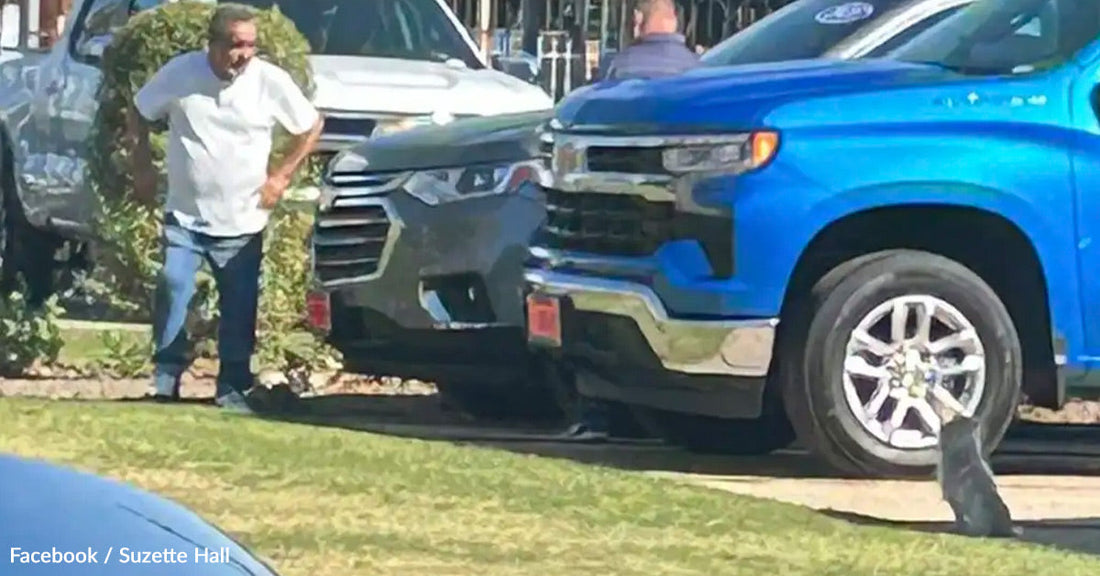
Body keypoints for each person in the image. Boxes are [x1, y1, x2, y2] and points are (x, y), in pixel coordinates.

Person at [128, 3, 323, 413]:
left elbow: (310, 125)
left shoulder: (269, 81)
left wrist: (280, 176)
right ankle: (165, 378)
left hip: (243, 219)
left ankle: (232, 387)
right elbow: (139, 110)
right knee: (173, 285)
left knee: (239, 304)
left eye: (251, 45)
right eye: (235, 45)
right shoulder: (181, 74)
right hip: (185, 214)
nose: (244, 54)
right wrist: (142, 165)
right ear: (212, 45)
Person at [560, 0, 700, 442]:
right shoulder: (699, 69)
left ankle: (598, 414)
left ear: (638, 22)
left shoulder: (623, 67)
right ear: (676, 24)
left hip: (616, 212)